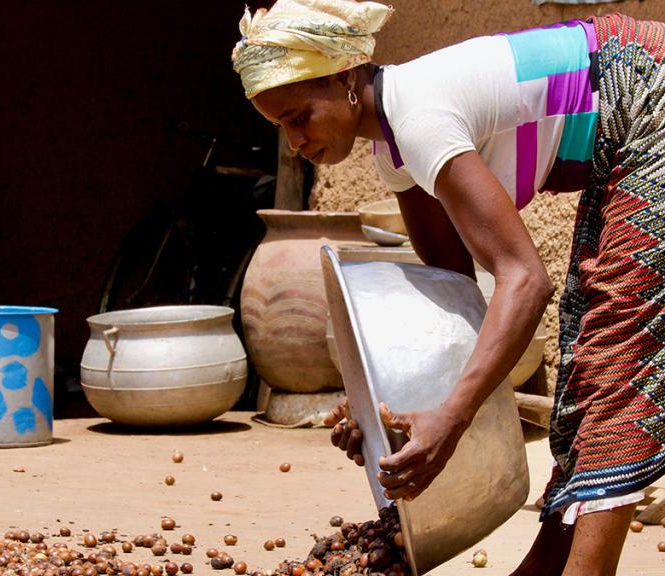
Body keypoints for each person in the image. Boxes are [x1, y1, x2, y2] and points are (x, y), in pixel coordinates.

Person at [231, 1, 665, 575]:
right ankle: (545, 564)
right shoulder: (393, 148)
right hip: (622, 137)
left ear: (344, 78)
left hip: (646, 92)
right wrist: (380, 406)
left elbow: (525, 280)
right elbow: (451, 295)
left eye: (299, 115)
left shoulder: (417, 117)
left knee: (616, 354)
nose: (295, 142)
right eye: (281, 126)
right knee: (587, 352)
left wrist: (453, 418)